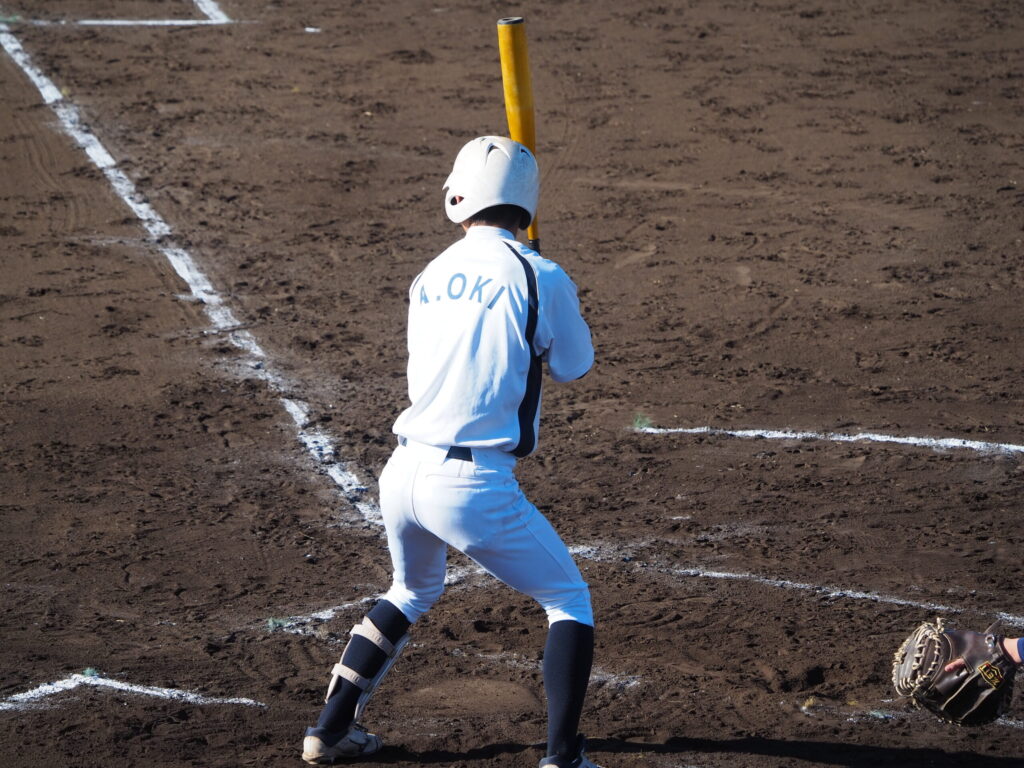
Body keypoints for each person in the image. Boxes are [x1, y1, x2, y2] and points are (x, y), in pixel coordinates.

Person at [301, 136, 601, 768]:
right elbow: (573, 366)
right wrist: (549, 293)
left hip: (402, 471)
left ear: (460, 197)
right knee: (568, 600)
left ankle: (329, 730)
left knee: (411, 590)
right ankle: (562, 758)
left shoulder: (430, 273)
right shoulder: (539, 275)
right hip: (471, 485)